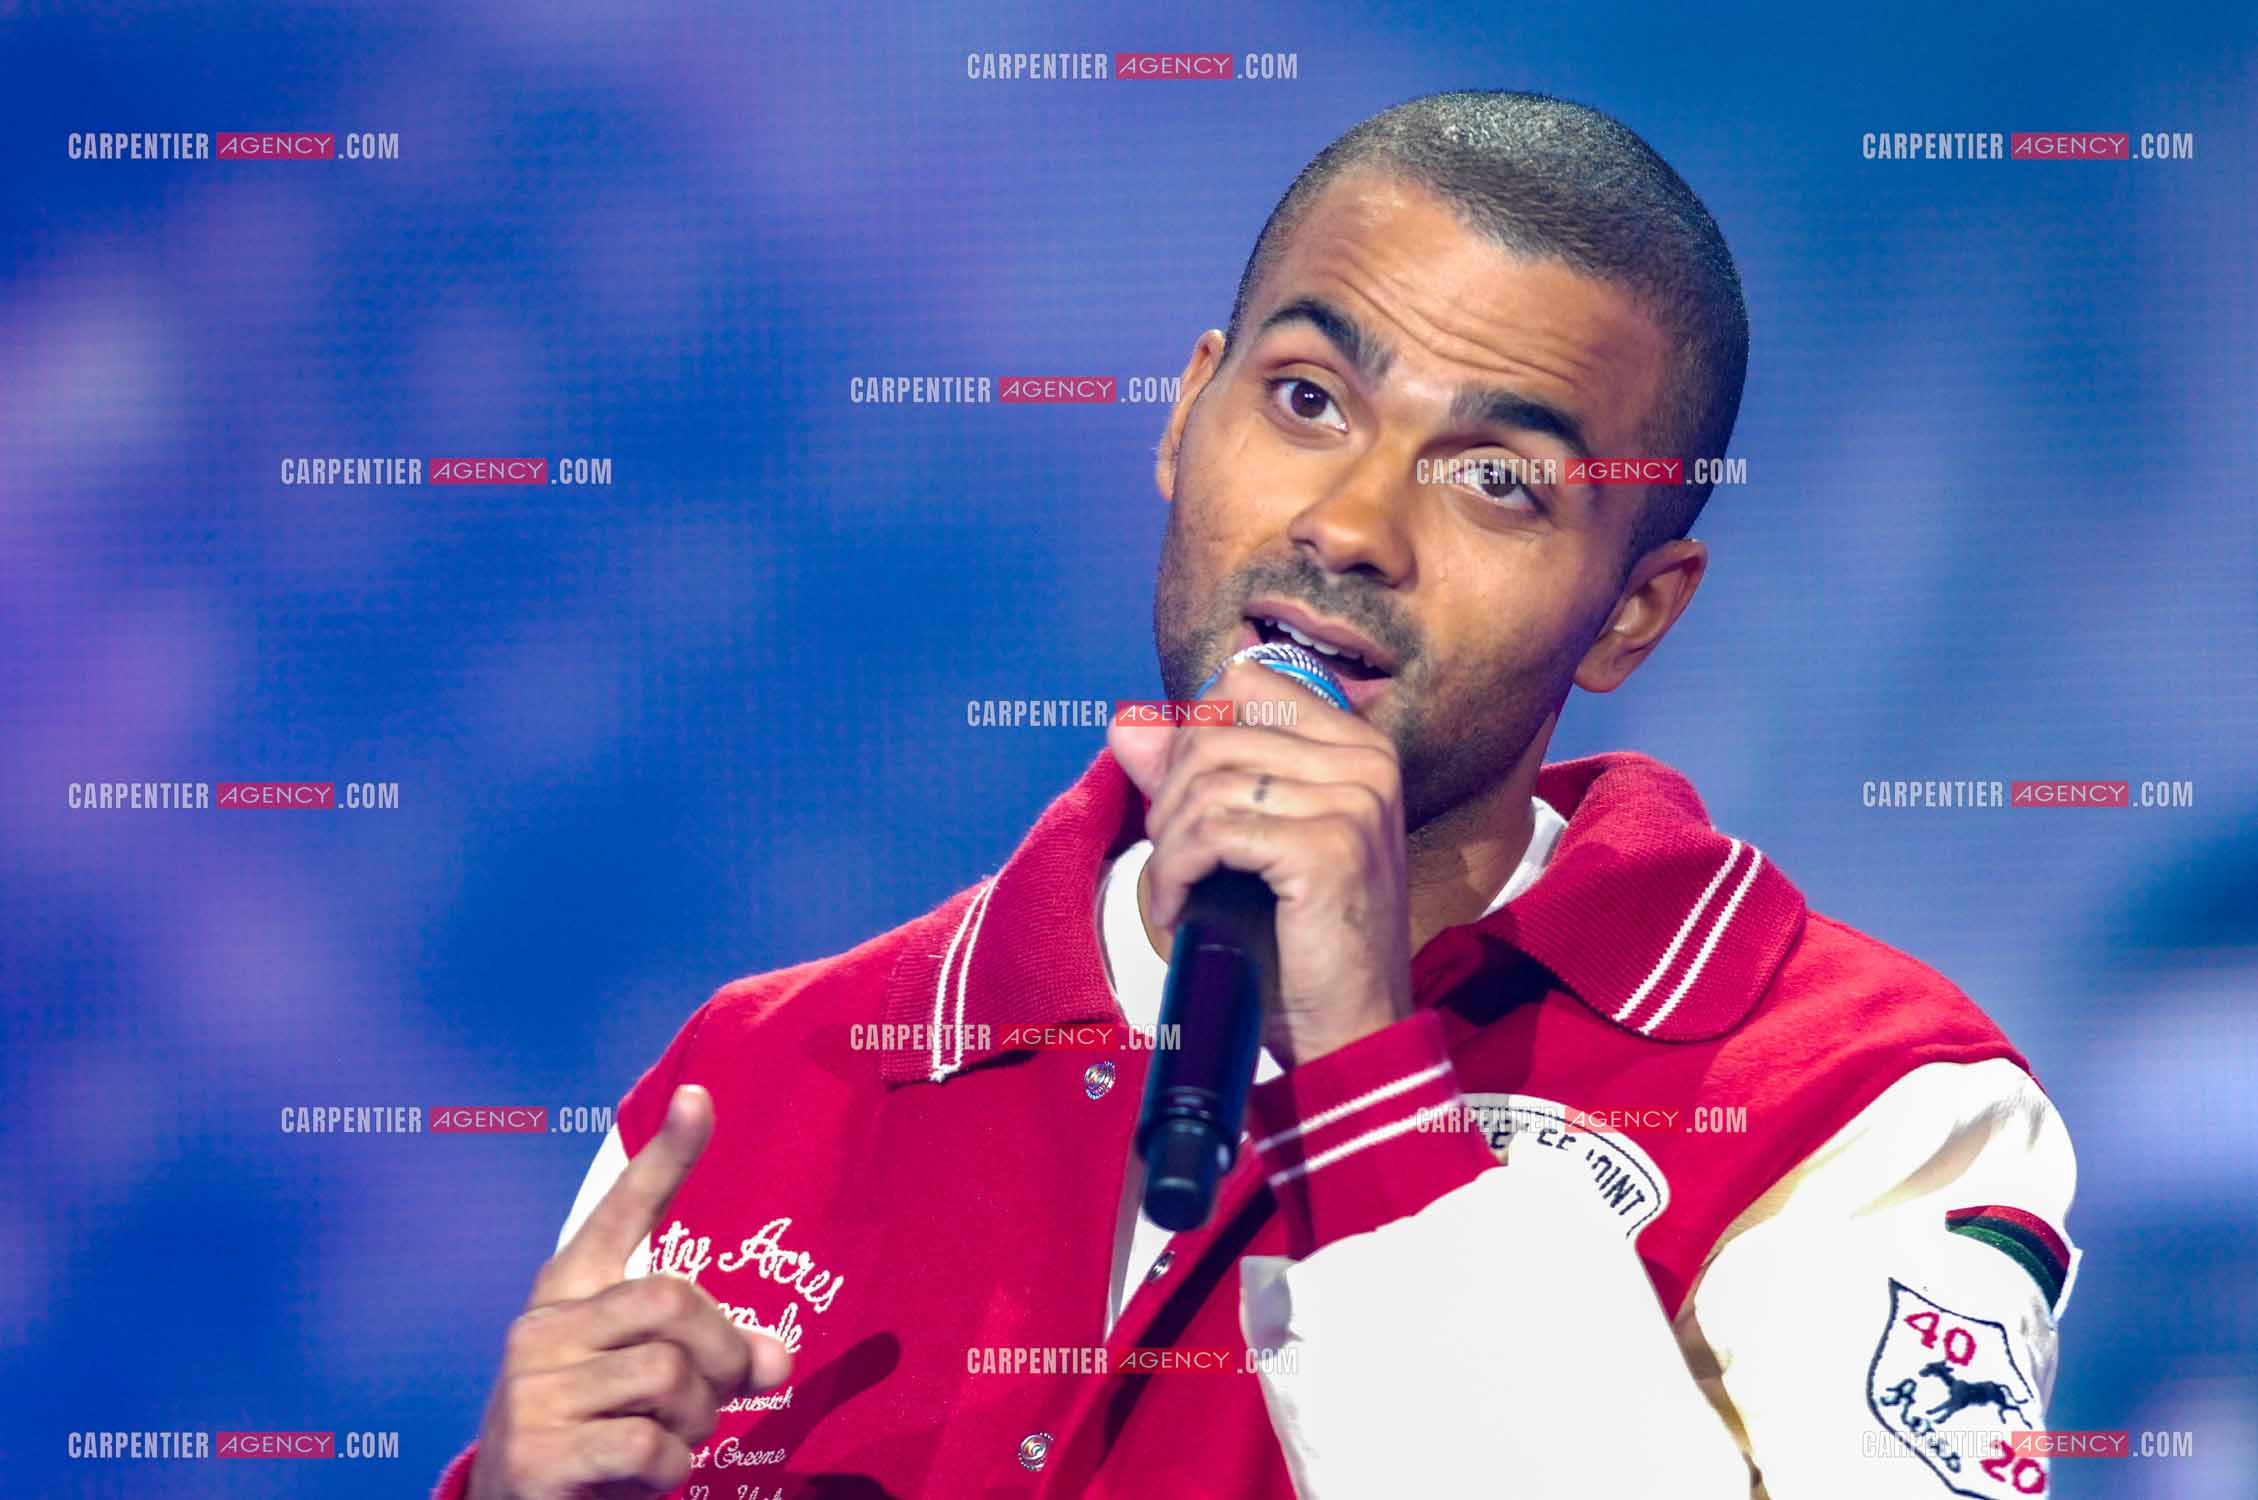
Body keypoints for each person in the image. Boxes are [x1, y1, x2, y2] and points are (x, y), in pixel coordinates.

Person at [434, 90, 2078, 1500]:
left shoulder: (1855, 1100)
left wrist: (1361, 1066)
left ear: (1632, 612)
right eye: (1306, 400)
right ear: (1185, 412)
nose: (1351, 523)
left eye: (1496, 481)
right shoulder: (766, 1076)